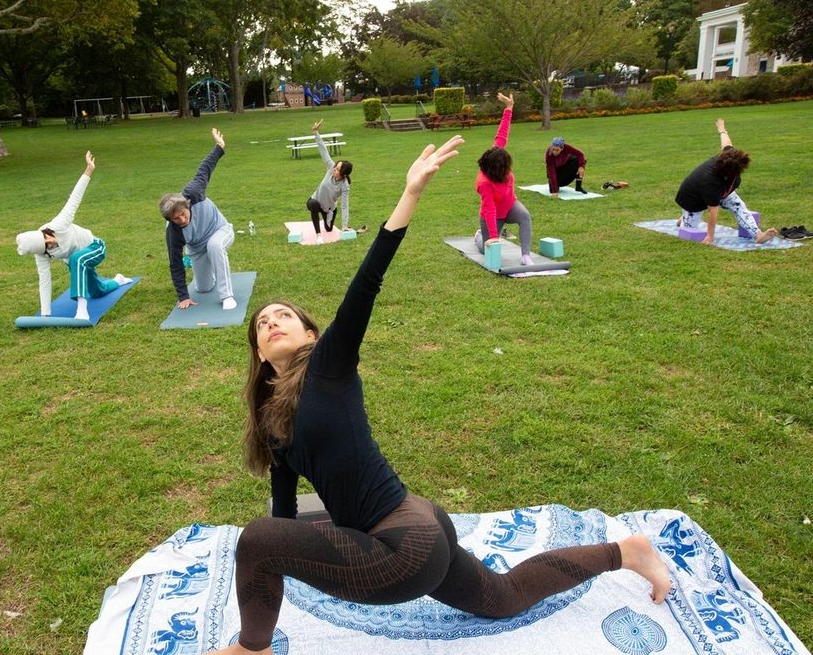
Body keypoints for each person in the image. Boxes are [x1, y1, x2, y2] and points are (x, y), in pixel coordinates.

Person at [213, 137, 672, 655]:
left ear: (312, 335)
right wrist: (278, 560)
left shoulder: (328, 364)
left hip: (403, 546)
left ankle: (253, 651)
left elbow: (366, 283)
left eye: (285, 316)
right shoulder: (272, 420)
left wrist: (409, 195)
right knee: (505, 596)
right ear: (256, 349)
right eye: (263, 322)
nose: (272, 321)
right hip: (418, 525)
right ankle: (625, 552)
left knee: (254, 540)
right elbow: (284, 517)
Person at [15, 151, 131, 320]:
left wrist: (89, 170)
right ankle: (118, 280)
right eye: (47, 245)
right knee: (98, 291)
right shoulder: (40, 256)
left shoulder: (58, 224)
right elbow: (45, 282)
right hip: (77, 263)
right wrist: (45, 314)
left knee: (76, 259)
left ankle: (82, 311)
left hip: (95, 248)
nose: (51, 240)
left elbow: (75, 198)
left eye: (46, 236)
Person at [160, 128, 237, 310]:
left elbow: (205, 168)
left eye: (183, 215)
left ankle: (227, 296)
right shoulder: (173, 232)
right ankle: (208, 272)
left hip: (220, 230)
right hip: (196, 248)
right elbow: (175, 263)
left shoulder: (194, 192)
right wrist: (183, 296)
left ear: (187, 205)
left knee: (215, 246)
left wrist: (219, 146)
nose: (182, 220)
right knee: (203, 288)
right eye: (176, 219)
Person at [675, 119, 778, 245]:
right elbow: (712, 213)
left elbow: (726, 143)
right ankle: (684, 218)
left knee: (739, 206)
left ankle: (758, 235)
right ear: (729, 173)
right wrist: (710, 236)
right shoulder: (710, 181)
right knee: (689, 229)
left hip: (721, 193)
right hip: (693, 200)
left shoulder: (729, 157)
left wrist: (721, 129)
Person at [475, 92, 536, 265]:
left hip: (510, 205)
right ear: (497, 168)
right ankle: (479, 236)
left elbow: (501, 135)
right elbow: (489, 208)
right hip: (493, 215)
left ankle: (526, 256)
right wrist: (493, 238)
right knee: (487, 247)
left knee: (525, 216)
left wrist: (509, 108)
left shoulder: (496, 154)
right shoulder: (484, 183)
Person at [304, 119, 352, 243]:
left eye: (338, 169)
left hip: (328, 208)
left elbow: (345, 205)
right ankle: (318, 235)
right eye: (335, 167)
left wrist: (344, 226)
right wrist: (316, 132)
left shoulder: (344, 186)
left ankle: (327, 221)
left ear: (344, 174)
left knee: (329, 229)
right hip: (315, 201)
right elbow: (323, 150)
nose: (334, 170)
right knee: (313, 204)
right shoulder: (331, 167)